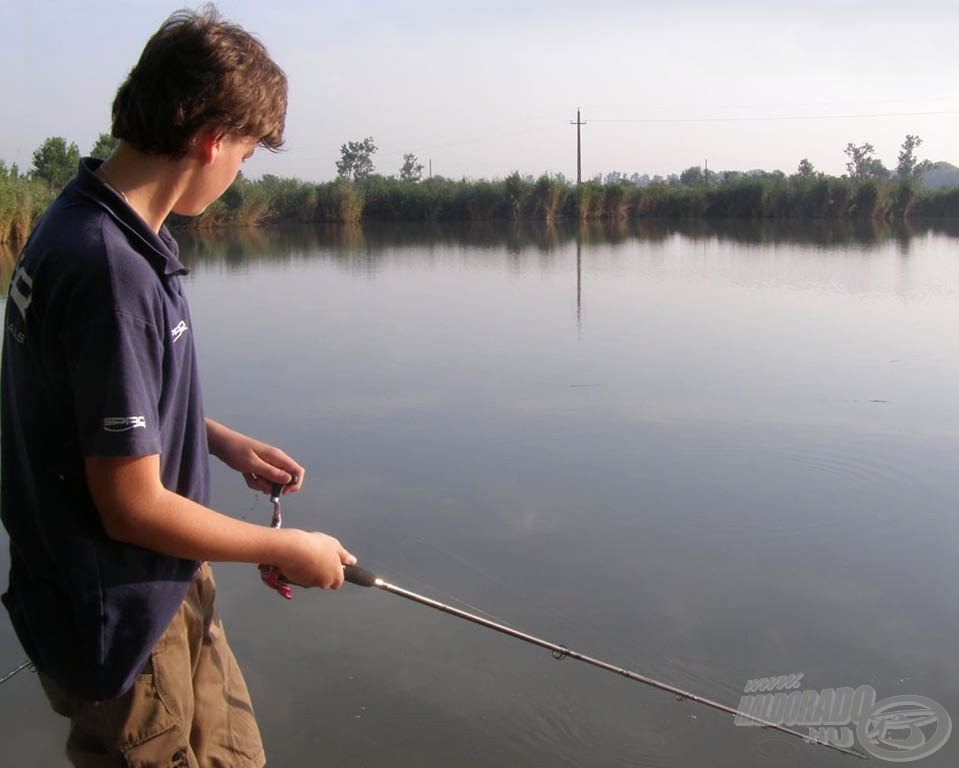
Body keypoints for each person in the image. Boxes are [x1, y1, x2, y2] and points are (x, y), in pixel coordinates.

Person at [0, 6, 355, 766]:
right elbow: (129, 506)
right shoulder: (106, 269)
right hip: (119, 621)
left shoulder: (104, 222)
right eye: (247, 155)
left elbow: (92, 409)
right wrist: (284, 544)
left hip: (162, 586)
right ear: (211, 139)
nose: (237, 177)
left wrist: (219, 441)